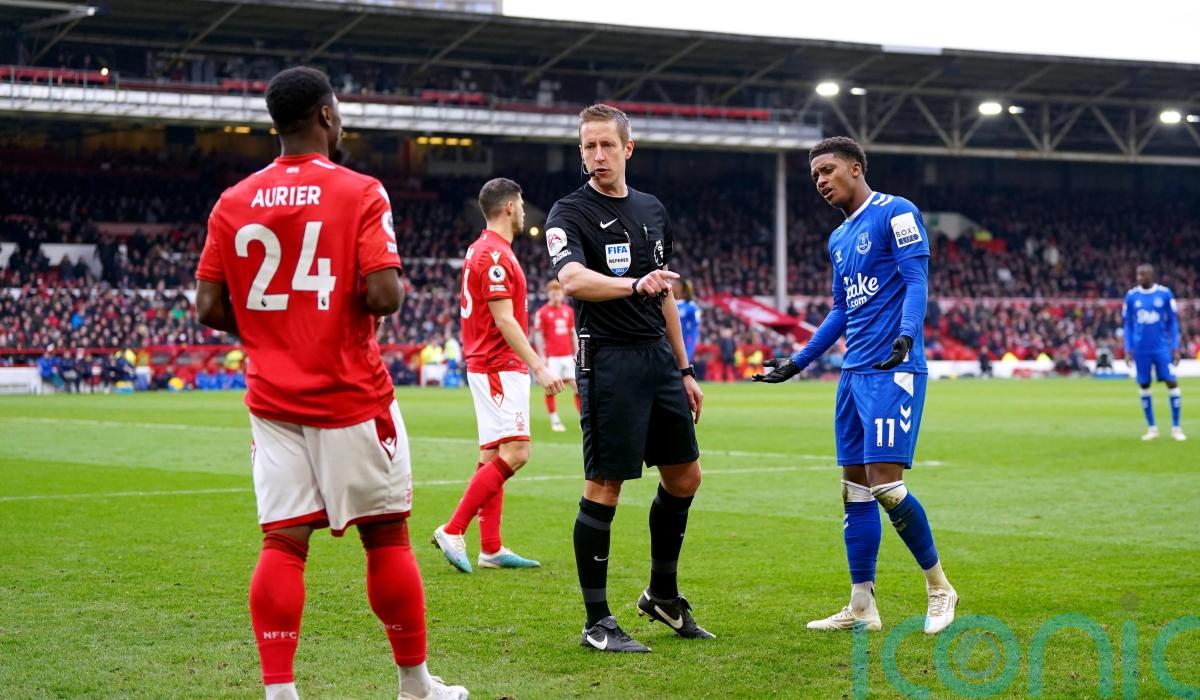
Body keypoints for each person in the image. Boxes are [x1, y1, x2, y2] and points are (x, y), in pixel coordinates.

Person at [194, 66, 467, 700]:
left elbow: (208, 307)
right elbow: (385, 294)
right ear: (325, 115)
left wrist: (274, 326)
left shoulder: (232, 200)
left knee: (283, 544)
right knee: (386, 537)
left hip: (272, 399)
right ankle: (415, 686)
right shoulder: (360, 190)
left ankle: (280, 692)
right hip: (350, 394)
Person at [753, 136, 957, 635]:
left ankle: (939, 587)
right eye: (814, 175)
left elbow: (916, 280)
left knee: (885, 483)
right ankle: (862, 606)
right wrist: (798, 362)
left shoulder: (897, 212)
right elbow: (842, 310)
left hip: (893, 369)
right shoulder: (839, 238)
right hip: (853, 374)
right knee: (855, 489)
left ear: (856, 168)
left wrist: (906, 335)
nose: (821, 181)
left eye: (828, 170)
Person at [545, 104, 712, 653]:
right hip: (607, 361)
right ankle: (597, 621)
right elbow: (572, 279)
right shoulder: (568, 212)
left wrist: (684, 368)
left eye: (607, 145)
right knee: (605, 486)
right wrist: (633, 284)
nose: (597, 155)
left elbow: (664, 292)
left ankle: (661, 595)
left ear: (628, 148)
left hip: (658, 360)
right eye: (588, 146)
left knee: (685, 478)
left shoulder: (652, 209)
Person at [431, 177, 563, 572]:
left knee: (491, 455)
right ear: (509, 207)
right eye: (521, 204)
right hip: (498, 366)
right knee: (517, 452)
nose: (523, 211)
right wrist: (539, 365)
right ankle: (453, 529)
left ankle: (490, 547)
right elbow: (504, 320)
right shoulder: (493, 254)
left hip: (491, 365)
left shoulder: (484, 248)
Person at [1124, 263, 1185, 441]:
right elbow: (1128, 325)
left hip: (1161, 347)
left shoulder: (1164, 294)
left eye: (1142, 275)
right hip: (1140, 350)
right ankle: (1152, 428)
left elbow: (1173, 323)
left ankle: (1176, 428)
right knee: (1144, 385)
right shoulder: (1131, 296)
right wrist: (1128, 349)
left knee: (1171, 382)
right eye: (1138, 274)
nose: (1139, 278)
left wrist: (1175, 347)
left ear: (1151, 276)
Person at [532, 279, 580, 431]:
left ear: (562, 294)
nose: (556, 296)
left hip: (568, 356)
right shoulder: (542, 312)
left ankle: (582, 420)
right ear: (549, 294)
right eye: (553, 294)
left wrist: (577, 351)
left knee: (577, 387)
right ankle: (555, 420)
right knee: (551, 388)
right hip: (552, 357)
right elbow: (538, 335)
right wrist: (541, 356)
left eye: (558, 293)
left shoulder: (568, 311)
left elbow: (573, 333)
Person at [674, 279, 701, 365]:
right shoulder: (667, 303)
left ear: (681, 288)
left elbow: (694, 328)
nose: (672, 286)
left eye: (675, 285)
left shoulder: (691, 306)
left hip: (684, 342)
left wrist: (690, 347)